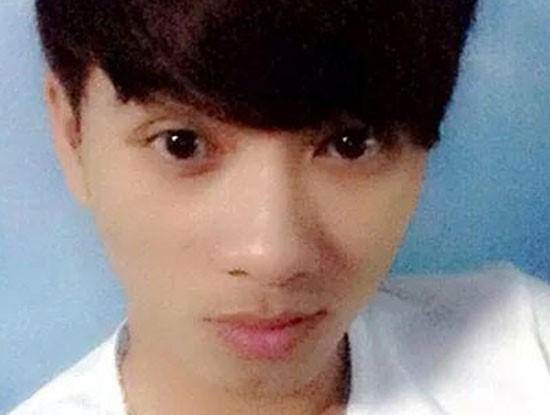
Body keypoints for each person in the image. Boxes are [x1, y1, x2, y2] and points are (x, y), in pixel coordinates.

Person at [9, 0, 550, 414]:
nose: (273, 255)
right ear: (72, 136)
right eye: (181, 144)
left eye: (350, 144)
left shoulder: (528, 352)